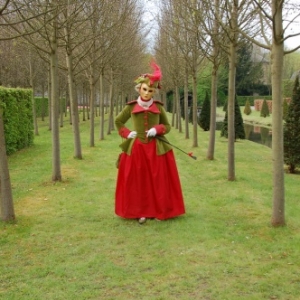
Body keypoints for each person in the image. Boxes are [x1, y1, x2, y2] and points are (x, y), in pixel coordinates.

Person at [114, 61, 185, 224]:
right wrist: (127, 133)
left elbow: (167, 126)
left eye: (150, 91)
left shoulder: (158, 107)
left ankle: (159, 210)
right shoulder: (131, 107)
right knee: (138, 180)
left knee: (157, 180)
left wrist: (157, 129)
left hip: (156, 149)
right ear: (139, 89)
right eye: (144, 89)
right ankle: (140, 212)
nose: (147, 93)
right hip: (137, 148)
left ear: (154, 92)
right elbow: (118, 121)